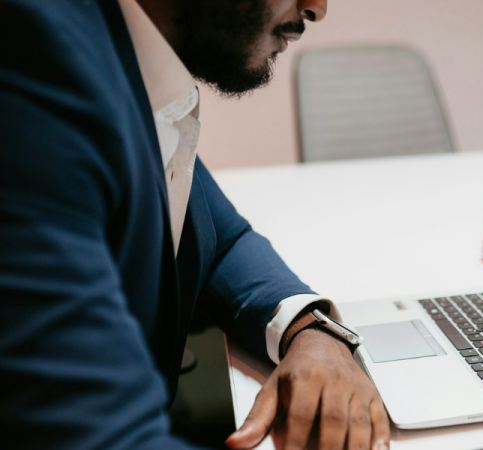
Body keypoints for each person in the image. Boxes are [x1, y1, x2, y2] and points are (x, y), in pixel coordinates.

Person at [0, 0, 390, 449]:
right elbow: (97, 433)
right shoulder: (32, 50)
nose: (317, 8)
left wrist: (310, 332)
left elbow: (217, 235)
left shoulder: (121, 57)